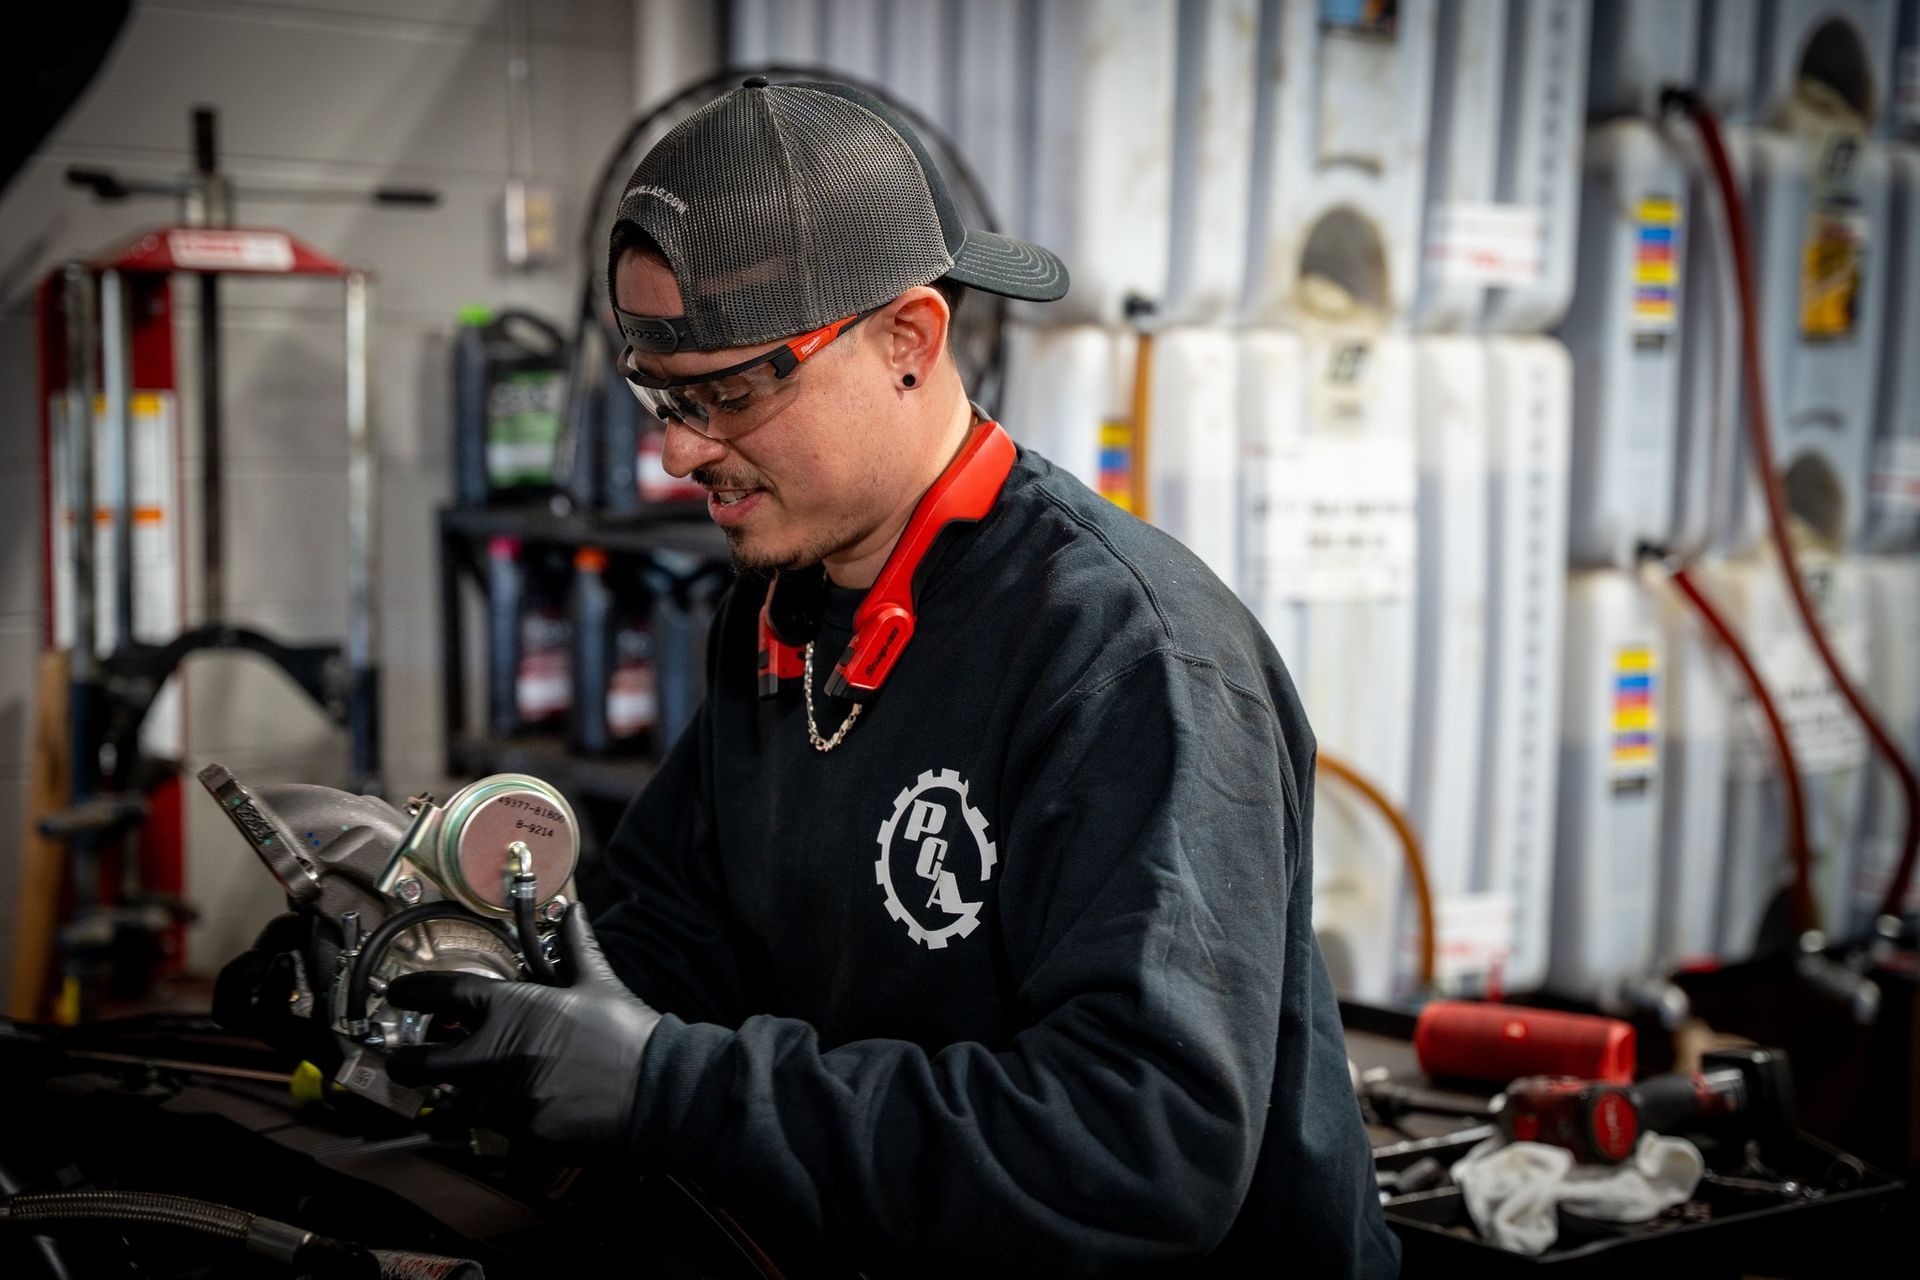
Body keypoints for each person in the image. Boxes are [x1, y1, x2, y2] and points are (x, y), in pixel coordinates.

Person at [388, 77, 1400, 1277]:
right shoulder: (781, 610)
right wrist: (503, 983)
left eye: (730, 393)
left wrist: (678, 1088)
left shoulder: (1125, 657)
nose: (677, 451)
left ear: (909, 340)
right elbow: (676, 931)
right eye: (661, 395)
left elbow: (1140, 1146)